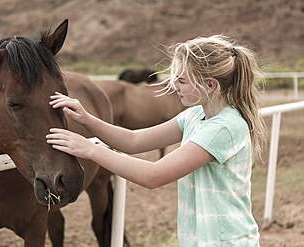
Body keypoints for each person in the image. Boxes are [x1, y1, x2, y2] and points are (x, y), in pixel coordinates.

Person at [46, 35, 266, 246]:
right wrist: (86, 119)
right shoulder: (195, 114)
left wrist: (90, 149)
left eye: (181, 80)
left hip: (226, 241)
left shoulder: (223, 127)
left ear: (210, 85)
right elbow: (134, 140)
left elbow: (153, 176)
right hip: (201, 238)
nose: (173, 85)